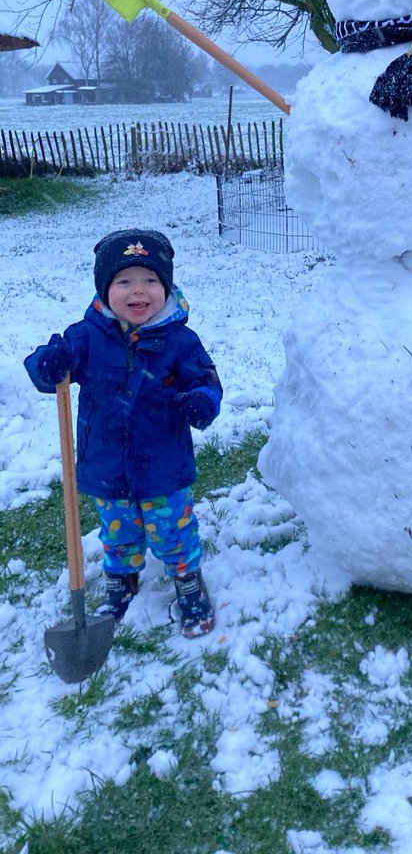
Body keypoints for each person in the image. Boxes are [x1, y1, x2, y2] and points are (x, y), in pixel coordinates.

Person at [24, 229, 222, 639]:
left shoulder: (180, 340)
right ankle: (122, 579)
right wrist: (49, 363)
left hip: (163, 466)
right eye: (124, 281)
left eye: (150, 280)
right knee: (118, 531)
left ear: (165, 287)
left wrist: (201, 401)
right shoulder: (86, 336)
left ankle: (187, 579)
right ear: (105, 288)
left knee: (173, 530)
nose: (139, 291)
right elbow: (47, 368)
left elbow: (206, 380)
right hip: (106, 465)